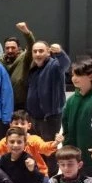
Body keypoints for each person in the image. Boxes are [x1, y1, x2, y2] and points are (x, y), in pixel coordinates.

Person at [27, 40, 71, 173]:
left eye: (41, 51)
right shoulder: (34, 68)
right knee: (36, 148)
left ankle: (52, 177)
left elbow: (65, 64)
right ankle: (40, 174)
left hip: (49, 118)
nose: (37, 54)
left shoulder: (54, 65)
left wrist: (60, 52)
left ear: (48, 52)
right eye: (35, 51)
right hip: (34, 118)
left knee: (50, 150)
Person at [0, 109, 61, 176]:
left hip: (38, 173)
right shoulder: (6, 140)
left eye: (22, 123)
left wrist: (55, 143)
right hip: (14, 175)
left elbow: (44, 147)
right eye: (16, 123)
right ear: (10, 125)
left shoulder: (34, 139)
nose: (19, 126)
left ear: (29, 126)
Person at [0, 22, 36, 110]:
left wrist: (27, 33)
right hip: (6, 102)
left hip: (22, 102)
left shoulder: (25, 58)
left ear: (19, 48)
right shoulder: (0, 62)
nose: (10, 50)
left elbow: (32, 46)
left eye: (13, 48)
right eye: (7, 48)